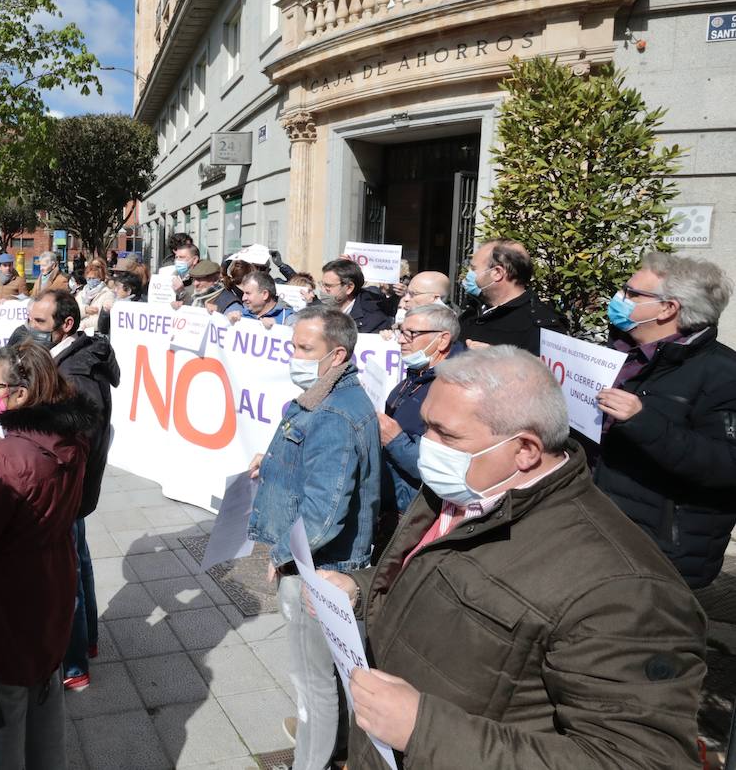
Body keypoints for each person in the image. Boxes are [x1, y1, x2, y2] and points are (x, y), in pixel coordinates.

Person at [317, 347, 706, 769]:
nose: (425, 442)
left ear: (524, 450)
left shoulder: (627, 591)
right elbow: (441, 571)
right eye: (426, 424)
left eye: (444, 433)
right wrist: (363, 584)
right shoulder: (463, 486)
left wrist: (422, 728)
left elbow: (639, 760)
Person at [247, 305, 380, 770]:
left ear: (337, 353)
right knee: (321, 678)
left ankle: (311, 762)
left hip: (319, 570)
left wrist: (283, 556)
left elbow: (324, 515)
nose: (294, 356)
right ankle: (327, 749)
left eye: (305, 348)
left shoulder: (334, 414)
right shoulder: (324, 400)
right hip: (319, 566)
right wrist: (276, 462)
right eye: (293, 345)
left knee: (312, 682)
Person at [0, 341, 95, 768]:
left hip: (9, 597)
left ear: (20, 394)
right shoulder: (72, 436)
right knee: (46, 695)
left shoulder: (4, 460)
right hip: (55, 581)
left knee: (6, 720)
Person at [593, 252, 736, 589]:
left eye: (632, 293)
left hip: (661, 552)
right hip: (604, 531)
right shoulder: (619, 354)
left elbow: (727, 465)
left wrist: (642, 420)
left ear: (668, 308)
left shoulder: (724, 374)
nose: (619, 298)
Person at [25, 291, 120, 693]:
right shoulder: (69, 359)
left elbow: (74, 440)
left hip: (67, 489)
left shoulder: (77, 374)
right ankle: (86, 645)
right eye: (30, 320)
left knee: (70, 575)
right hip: (73, 489)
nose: (32, 329)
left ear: (66, 325)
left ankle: (74, 663)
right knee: (78, 563)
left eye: (40, 323)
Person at [378, 304, 462, 515]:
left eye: (411, 333)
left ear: (442, 339)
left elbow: (445, 468)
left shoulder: (456, 389)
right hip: (392, 501)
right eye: (401, 331)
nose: (400, 340)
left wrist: (396, 440)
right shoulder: (417, 374)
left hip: (415, 513)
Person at [458, 239, 565, 354]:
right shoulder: (473, 311)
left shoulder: (542, 328)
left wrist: (500, 360)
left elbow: (545, 370)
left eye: (474, 269)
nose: (468, 274)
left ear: (497, 273)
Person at [320, 258, 394, 333]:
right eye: (322, 284)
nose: (323, 290)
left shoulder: (374, 320)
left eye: (328, 286)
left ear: (349, 287)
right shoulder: (317, 311)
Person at [226, 270, 295, 328]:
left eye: (248, 293)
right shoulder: (241, 315)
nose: (243, 298)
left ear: (265, 294)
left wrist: (278, 329)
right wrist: (227, 323)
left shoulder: (288, 319)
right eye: (243, 293)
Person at [76, 258, 113, 336]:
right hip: (78, 331)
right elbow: (75, 311)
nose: (91, 281)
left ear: (100, 278)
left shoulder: (107, 293)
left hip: (95, 334)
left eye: (94, 278)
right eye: (89, 278)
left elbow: (103, 319)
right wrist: (85, 310)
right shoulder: (81, 293)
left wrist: (84, 324)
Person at [98, 271, 142, 336]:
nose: (115, 290)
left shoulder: (137, 308)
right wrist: (105, 312)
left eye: (118, 288)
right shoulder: (116, 302)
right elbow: (103, 329)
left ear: (128, 291)